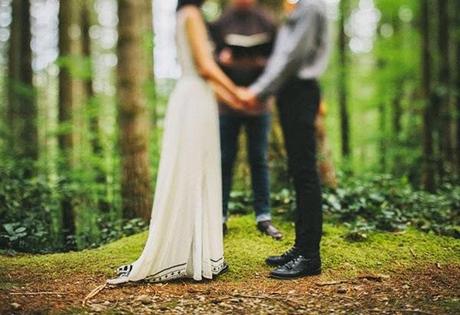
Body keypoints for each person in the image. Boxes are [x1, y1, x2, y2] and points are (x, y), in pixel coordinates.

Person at [107, 0, 245, 285]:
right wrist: (239, 95)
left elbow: (206, 71)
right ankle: (188, 255)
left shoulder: (185, 14)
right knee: (193, 171)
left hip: (197, 97)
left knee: (198, 170)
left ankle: (199, 254)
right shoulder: (191, 15)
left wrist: (232, 99)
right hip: (194, 98)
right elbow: (205, 67)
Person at [238, 0, 330, 279]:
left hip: (300, 91)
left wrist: (258, 91)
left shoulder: (312, 6)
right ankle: (302, 247)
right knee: (298, 170)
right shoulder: (302, 6)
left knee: (305, 171)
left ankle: (310, 256)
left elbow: (293, 55)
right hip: (292, 92)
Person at [209, 0, 282, 239]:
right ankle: (219, 217)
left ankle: (263, 216)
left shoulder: (267, 21)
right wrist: (223, 59)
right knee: (225, 159)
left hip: (259, 104)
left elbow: (279, 60)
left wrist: (261, 64)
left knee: (259, 158)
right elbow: (208, 61)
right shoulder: (221, 22)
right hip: (227, 104)